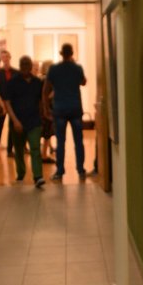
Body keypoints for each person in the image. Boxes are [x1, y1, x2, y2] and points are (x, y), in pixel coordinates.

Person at [43, 43, 87, 181]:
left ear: (61, 54)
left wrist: (46, 108)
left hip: (60, 109)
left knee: (60, 142)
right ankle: (80, 170)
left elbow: (45, 90)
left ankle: (60, 171)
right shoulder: (77, 68)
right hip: (75, 108)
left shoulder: (54, 69)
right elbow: (83, 82)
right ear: (72, 54)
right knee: (78, 141)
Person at [3, 56, 47, 188]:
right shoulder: (12, 82)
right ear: (20, 66)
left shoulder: (37, 82)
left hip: (34, 121)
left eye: (27, 65)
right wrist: (15, 120)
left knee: (35, 148)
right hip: (17, 122)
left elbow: (41, 101)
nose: (25, 67)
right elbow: (7, 102)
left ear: (31, 66)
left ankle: (38, 176)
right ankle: (21, 174)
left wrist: (43, 116)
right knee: (19, 150)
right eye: (23, 65)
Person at [0, 50, 18, 157]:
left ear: (10, 57)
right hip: (1, 103)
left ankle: (10, 150)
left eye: (7, 57)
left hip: (13, 103)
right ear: (1, 59)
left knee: (12, 127)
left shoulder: (16, 72)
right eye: (3, 57)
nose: (5, 59)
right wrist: (0, 103)